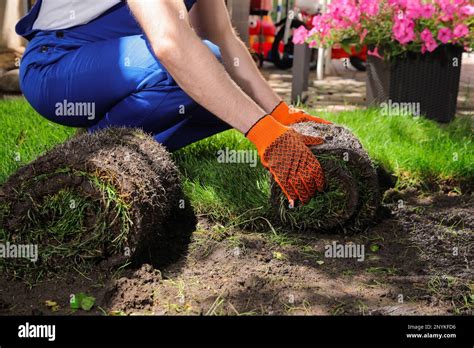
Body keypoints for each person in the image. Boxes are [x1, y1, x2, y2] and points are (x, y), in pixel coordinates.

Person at [16, 0, 332, 207]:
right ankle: (83, 154)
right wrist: (263, 133)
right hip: (57, 66)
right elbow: (170, 43)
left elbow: (220, 36)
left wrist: (277, 114)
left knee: (227, 93)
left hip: (116, 64)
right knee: (201, 69)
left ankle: (123, 151)